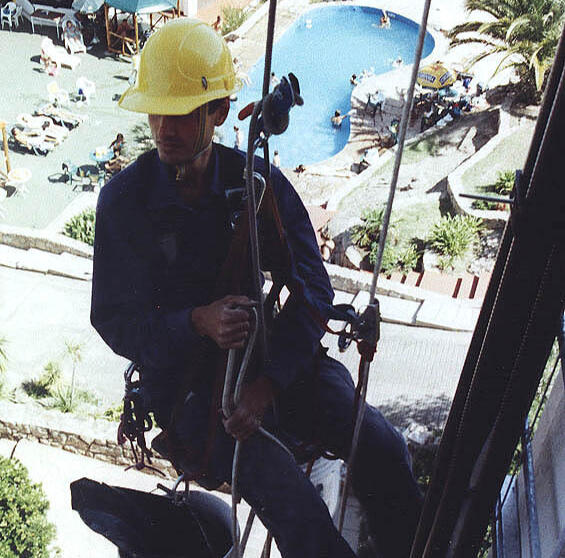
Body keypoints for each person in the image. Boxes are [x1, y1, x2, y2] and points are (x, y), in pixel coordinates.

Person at [91, 19, 422, 558]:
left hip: (275, 365)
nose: (163, 129)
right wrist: (196, 321)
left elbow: (312, 288)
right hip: (191, 393)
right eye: (157, 113)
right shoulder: (125, 204)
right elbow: (114, 319)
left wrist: (267, 383)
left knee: (381, 447)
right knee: (294, 507)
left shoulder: (257, 185)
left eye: (179, 114)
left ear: (217, 113)